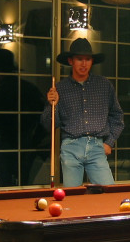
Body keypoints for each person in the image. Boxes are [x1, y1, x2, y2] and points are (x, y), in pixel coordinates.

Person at [41, 38, 124, 187]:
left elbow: (117, 116)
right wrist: (52, 104)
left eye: (88, 59)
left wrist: (109, 142)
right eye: (79, 59)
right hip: (70, 147)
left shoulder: (104, 85)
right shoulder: (60, 88)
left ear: (92, 61)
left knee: (108, 194)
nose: (84, 64)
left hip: (97, 146)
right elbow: (49, 125)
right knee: (73, 199)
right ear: (71, 61)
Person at [0, 48, 48, 186]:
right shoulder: (29, 88)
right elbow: (44, 116)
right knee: (24, 183)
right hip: (28, 143)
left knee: (6, 184)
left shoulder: (1, 91)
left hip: (8, 143)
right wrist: (36, 140)